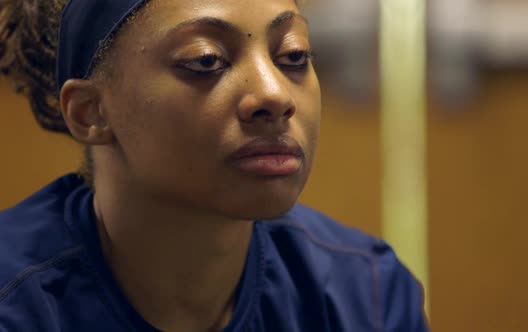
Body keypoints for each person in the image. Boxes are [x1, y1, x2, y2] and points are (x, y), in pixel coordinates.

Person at [0, 0, 429, 331]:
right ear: (91, 112)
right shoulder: (18, 305)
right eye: (206, 61)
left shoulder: (367, 295)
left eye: (294, 56)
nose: (274, 95)